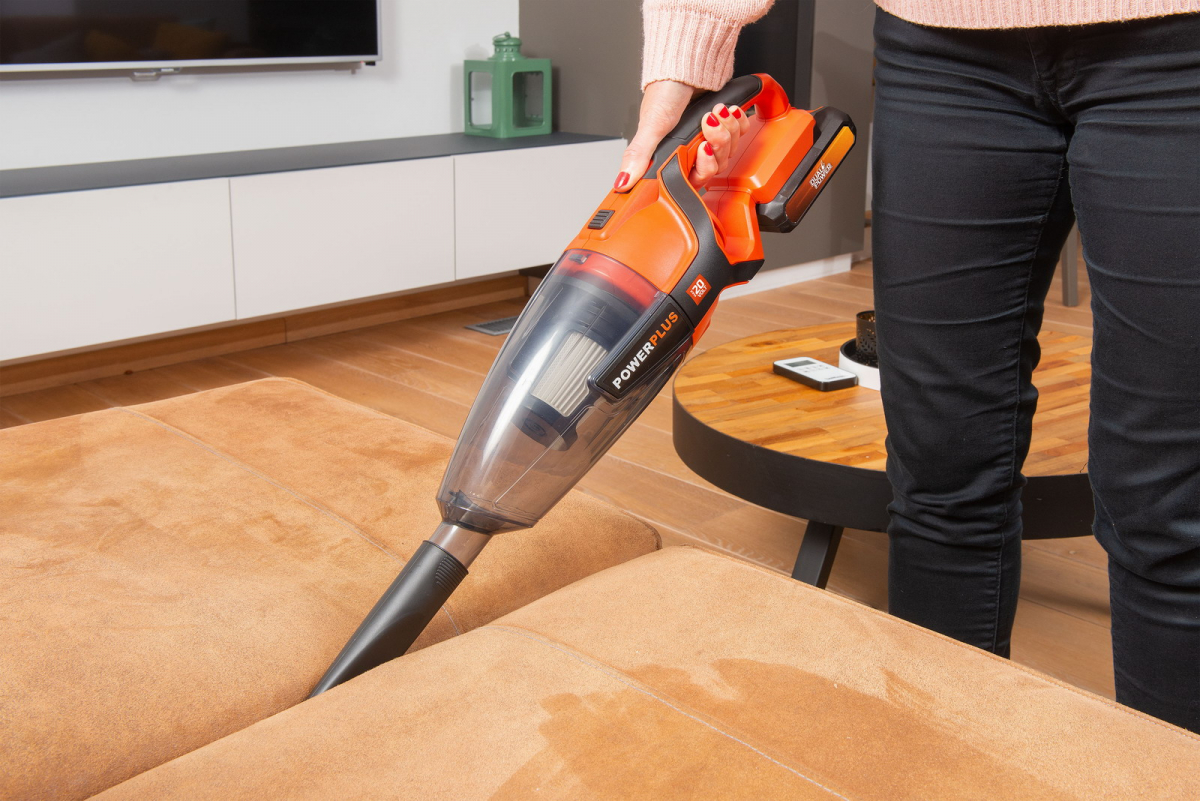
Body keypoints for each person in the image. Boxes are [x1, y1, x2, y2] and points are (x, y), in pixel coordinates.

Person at [617, 0, 1200, 733]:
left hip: (1177, 51)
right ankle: (939, 760)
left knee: (1169, 508)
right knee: (938, 476)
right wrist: (685, 53)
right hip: (942, 49)